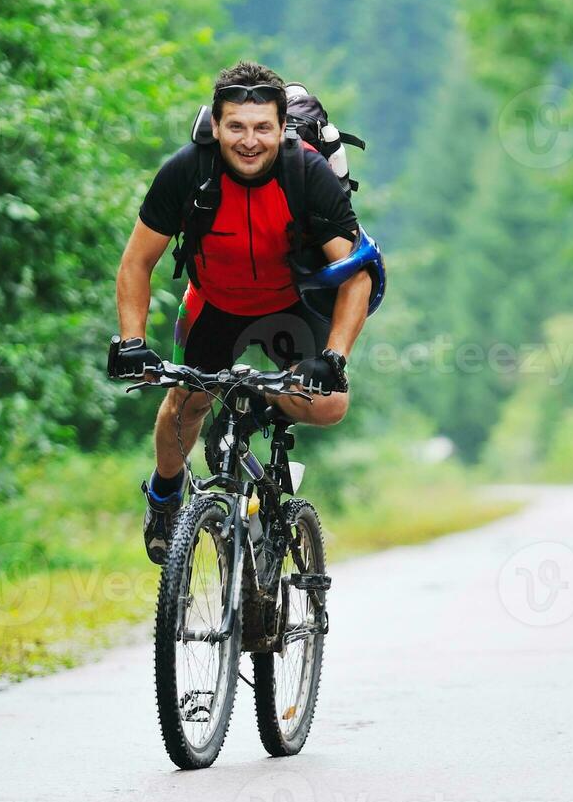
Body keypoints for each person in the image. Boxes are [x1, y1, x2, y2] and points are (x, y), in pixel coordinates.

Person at [108, 60, 383, 563]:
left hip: (291, 306)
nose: (249, 140)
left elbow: (357, 274)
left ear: (282, 128)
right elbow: (136, 262)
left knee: (330, 404)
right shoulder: (187, 171)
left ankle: (250, 405)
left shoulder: (307, 174)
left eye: (262, 128)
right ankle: (166, 495)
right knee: (183, 405)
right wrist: (130, 341)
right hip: (215, 304)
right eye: (236, 126)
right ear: (216, 125)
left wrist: (335, 358)